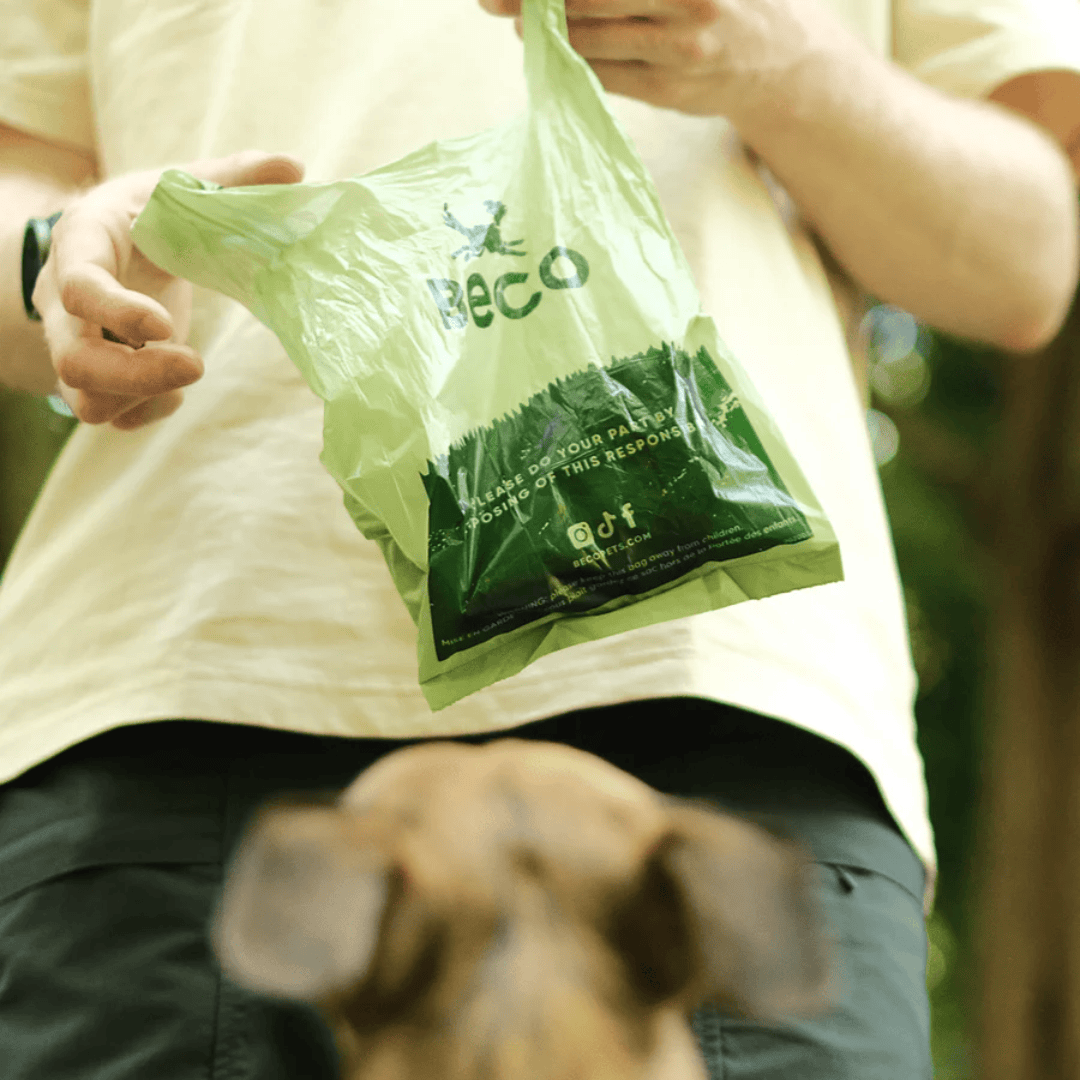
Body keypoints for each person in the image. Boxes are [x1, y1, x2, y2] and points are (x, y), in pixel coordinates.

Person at [0, 0, 1077, 1076]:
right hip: (179, 685)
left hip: (721, 718)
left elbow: (1027, 255)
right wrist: (58, 252)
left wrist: (780, 60)